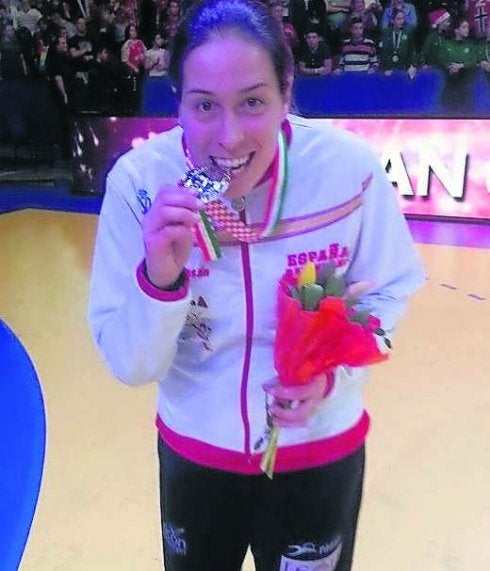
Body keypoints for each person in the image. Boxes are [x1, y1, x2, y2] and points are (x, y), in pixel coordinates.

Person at [88, 0, 425, 569]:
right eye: (204, 105)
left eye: (252, 102)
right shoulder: (140, 184)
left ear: (286, 90)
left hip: (319, 450)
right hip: (196, 455)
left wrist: (332, 374)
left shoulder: (348, 169)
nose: (229, 137)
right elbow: (130, 365)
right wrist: (159, 281)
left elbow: (389, 291)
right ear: (177, 101)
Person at [378, 7, 417, 76]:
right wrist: (386, 68)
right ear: (392, 20)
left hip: (403, 69)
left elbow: (411, 51)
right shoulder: (386, 33)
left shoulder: (408, 33)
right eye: (398, 19)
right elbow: (383, 52)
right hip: (388, 70)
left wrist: (412, 65)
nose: (402, 21)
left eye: (403, 18)